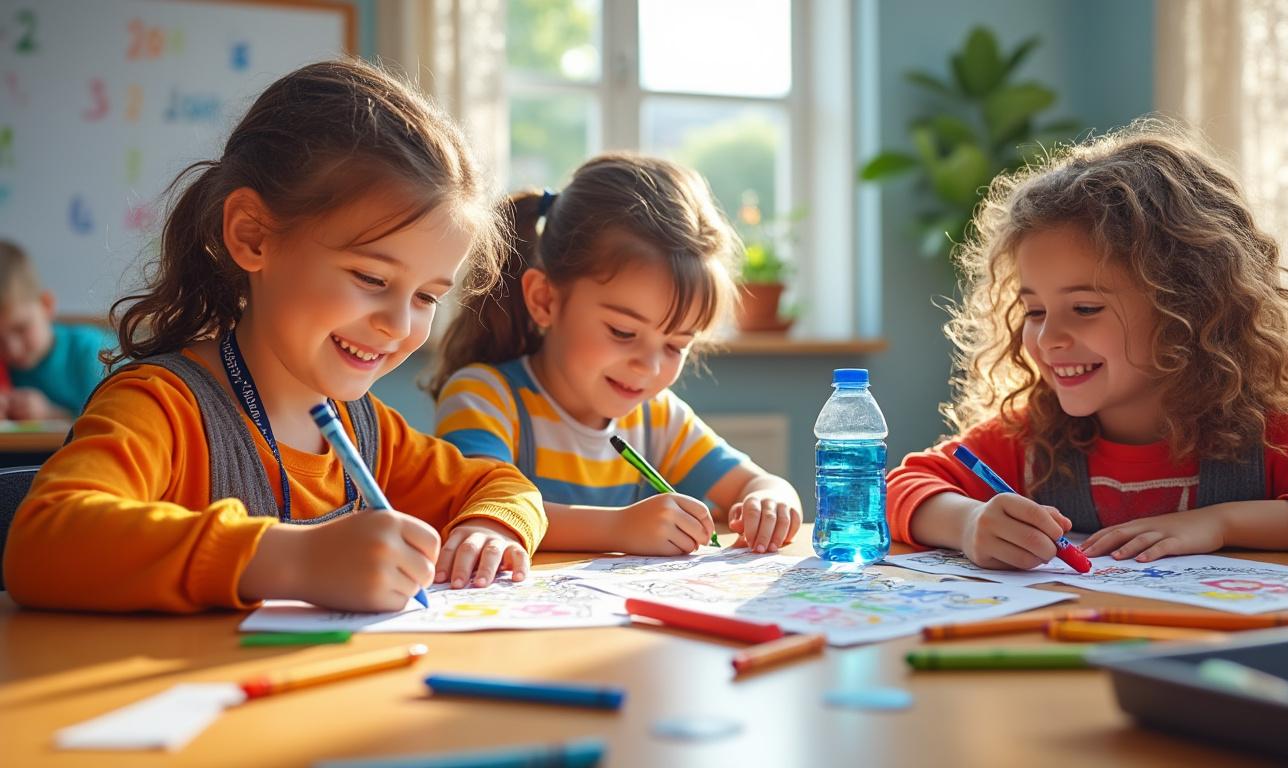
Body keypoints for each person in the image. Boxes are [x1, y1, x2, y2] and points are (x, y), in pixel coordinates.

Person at [5, 59, 547, 613]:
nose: (399, 324)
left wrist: (490, 530)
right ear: (253, 236)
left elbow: (504, 487)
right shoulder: (161, 408)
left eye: (427, 297)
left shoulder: (368, 431)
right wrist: (294, 560)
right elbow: (42, 541)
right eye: (371, 278)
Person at [887, 124, 1288, 568]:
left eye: (1085, 309)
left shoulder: (1274, 438)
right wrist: (968, 522)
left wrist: (1223, 523)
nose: (1048, 338)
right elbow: (896, 488)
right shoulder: (1031, 441)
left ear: (1187, 307)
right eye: (1035, 312)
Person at [431, 153, 801, 556]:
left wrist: (771, 500)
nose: (650, 365)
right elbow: (481, 507)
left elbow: (756, 483)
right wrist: (620, 528)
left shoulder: (658, 416)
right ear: (545, 300)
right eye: (623, 332)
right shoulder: (484, 397)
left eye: (676, 344)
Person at [0, 240, 116, 419]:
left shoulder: (92, 351)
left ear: (46, 305)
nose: (12, 349)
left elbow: (111, 419)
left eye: (21, 328)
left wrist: (50, 413)